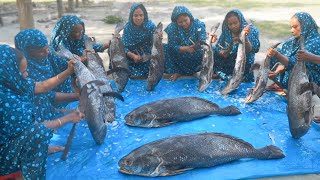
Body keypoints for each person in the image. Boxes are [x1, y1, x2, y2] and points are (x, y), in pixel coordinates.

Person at [0, 45, 84, 179]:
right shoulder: (6, 101)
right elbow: (34, 129)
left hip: (10, 139)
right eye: (22, 73)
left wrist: (68, 71)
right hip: (2, 156)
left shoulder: (9, 82)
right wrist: (67, 118)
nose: (27, 75)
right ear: (8, 72)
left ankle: (30, 150)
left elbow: (42, 86)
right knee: (38, 134)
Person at [15, 28, 80, 122]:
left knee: (64, 73)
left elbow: (65, 65)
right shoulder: (24, 67)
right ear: (27, 52)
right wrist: (75, 96)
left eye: (47, 48)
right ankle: (48, 120)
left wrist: (75, 60)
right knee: (39, 97)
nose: (47, 53)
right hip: (43, 99)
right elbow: (43, 89)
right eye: (41, 51)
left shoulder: (48, 52)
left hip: (54, 93)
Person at [267, 12, 320, 122]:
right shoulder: (293, 41)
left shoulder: (315, 42)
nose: (292, 30)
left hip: (312, 80)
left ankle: (303, 97)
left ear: (305, 26)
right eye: (291, 27)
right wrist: (277, 67)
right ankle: (287, 88)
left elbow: (293, 62)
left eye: (295, 27)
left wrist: (277, 55)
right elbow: (284, 57)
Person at [212, 9, 260, 82]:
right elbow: (219, 48)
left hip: (244, 63)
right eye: (230, 24)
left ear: (240, 21)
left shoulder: (250, 30)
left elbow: (250, 49)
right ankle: (220, 73)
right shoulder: (226, 32)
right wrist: (226, 51)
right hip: (229, 61)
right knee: (213, 49)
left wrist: (245, 38)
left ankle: (240, 76)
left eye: (235, 23)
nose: (233, 26)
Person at [164, 6, 206, 81]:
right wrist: (186, 49)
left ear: (189, 17)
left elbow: (202, 40)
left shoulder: (198, 24)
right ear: (176, 21)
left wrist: (195, 46)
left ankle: (196, 71)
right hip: (179, 56)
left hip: (196, 53)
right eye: (180, 22)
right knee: (165, 47)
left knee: (209, 49)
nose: (183, 23)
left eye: (185, 20)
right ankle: (176, 72)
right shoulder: (172, 28)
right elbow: (171, 45)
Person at [122, 3, 156, 78]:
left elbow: (155, 44)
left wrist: (158, 36)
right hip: (132, 58)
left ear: (145, 15)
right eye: (135, 15)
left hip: (147, 56)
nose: (138, 18)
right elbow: (124, 47)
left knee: (165, 48)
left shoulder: (150, 26)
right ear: (131, 16)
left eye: (141, 15)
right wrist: (133, 56)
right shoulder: (128, 28)